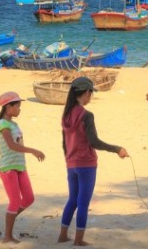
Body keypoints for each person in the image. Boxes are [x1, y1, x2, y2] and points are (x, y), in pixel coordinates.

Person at [58, 77, 129, 246]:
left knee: (72, 200)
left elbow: (64, 142)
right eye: (91, 93)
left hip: (71, 164)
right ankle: (78, 240)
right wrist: (117, 149)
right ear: (86, 93)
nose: (91, 97)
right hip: (86, 165)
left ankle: (62, 236)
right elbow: (94, 142)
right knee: (82, 203)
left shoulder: (66, 115)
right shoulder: (86, 115)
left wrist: (68, 159)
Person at [0, 91, 45, 244]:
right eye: (17, 106)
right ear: (8, 107)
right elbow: (11, 145)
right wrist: (33, 151)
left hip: (20, 166)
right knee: (15, 201)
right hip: (8, 167)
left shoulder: (14, 124)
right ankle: (7, 236)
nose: (19, 109)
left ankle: (11, 218)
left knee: (29, 198)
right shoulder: (3, 124)